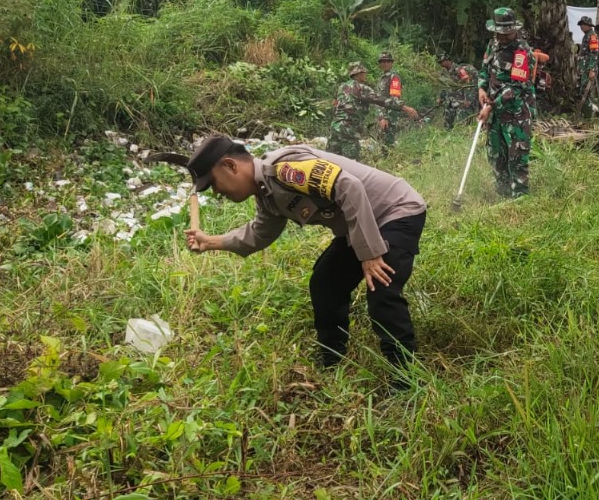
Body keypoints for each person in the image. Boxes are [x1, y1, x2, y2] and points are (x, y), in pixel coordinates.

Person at [182, 135, 427, 388]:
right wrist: (210, 242)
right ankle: (332, 361)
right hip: (362, 224)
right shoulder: (266, 193)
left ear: (231, 166)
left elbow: (349, 187)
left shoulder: (285, 169)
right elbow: (259, 233)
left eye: (213, 183)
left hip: (395, 211)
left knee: (381, 288)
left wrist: (370, 253)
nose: (217, 191)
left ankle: (404, 377)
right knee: (325, 282)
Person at [477, 7, 537, 199]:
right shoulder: (493, 44)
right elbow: (485, 70)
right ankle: (502, 195)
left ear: (514, 29)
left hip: (516, 114)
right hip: (494, 112)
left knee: (517, 157)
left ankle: (520, 199)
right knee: (496, 154)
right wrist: (481, 89)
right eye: (498, 32)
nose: (501, 37)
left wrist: (490, 105)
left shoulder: (522, 52)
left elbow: (515, 88)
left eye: (506, 33)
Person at [327, 63, 412, 159]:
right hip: (349, 129)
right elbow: (381, 100)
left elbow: (335, 104)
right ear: (358, 74)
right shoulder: (362, 88)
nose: (365, 75)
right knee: (351, 163)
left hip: (335, 127)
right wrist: (403, 107)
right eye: (364, 73)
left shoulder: (342, 87)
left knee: (331, 161)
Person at [376, 52, 417, 149]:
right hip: (381, 116)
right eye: (382, 61)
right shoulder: (382, 78)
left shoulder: (394, 78)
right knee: (382, 144)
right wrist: (380, 117)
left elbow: (394, 99)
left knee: (387, 145)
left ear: (391, 63)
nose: (385, 63)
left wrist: (385, 118)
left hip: (389, 117)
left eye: (388, 61)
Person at [438, 54, 479, 129]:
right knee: (447, 119)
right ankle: (447, 133)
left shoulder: (459, 69)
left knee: (462, 120)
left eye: (442, 62)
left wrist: (468, 99)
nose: (441, 64)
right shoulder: (444, 72)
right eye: (439, 62)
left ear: (448, 60)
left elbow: (468, 84)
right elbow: (444, 86)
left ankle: (461, 133)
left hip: (461, 98)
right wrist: (440, 98)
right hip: (451, 99)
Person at [576, 16, 599, 111]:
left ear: (588, 25)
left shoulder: (592, 36)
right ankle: (585, 111)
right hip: (583, 68)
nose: (581, 27)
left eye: (582, 25)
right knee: (582, 90)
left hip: (588, 68)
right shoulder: (586, 35)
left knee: (587, 90)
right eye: (581, 25)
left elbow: (594, 53)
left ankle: (589, 113)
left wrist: (592, 69)